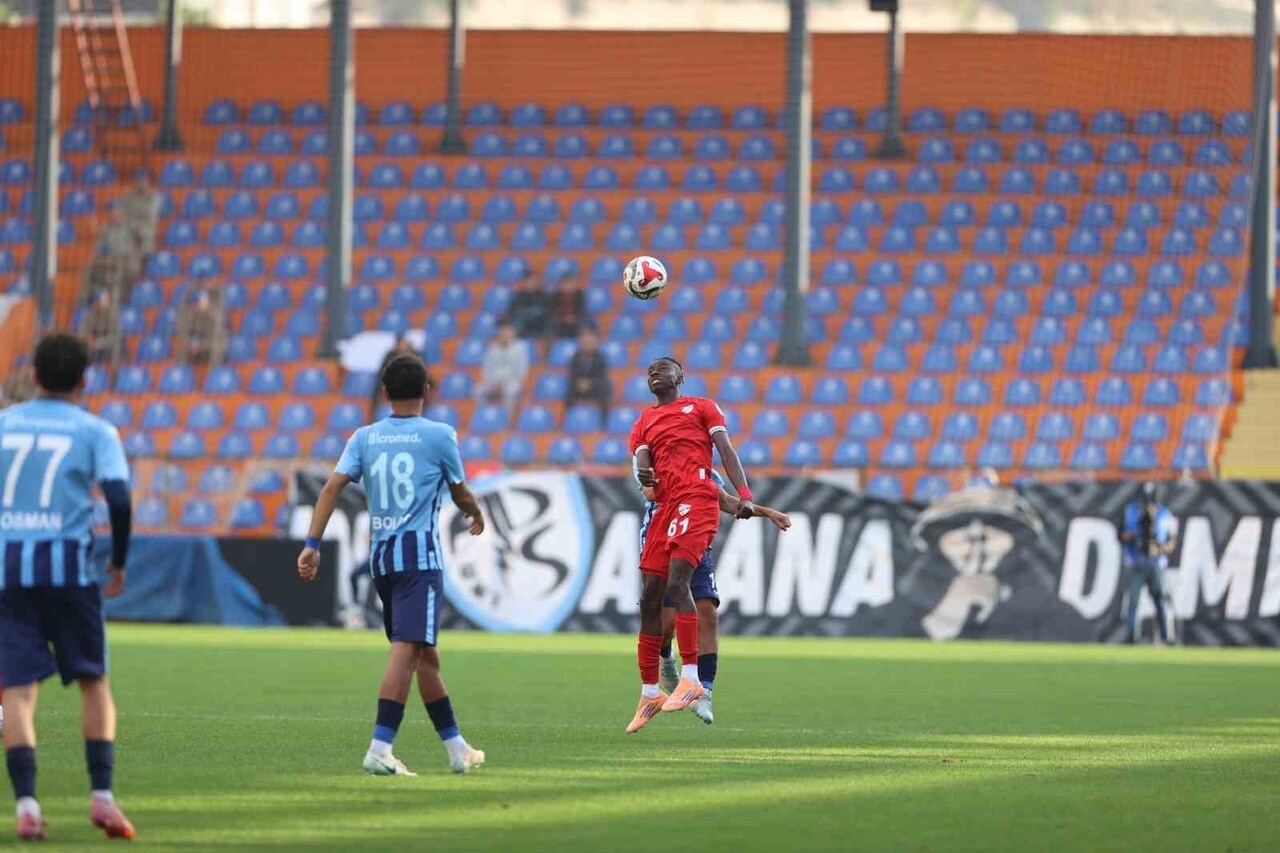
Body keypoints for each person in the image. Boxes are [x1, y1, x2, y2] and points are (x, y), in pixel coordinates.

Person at [297, 353, 488, 776]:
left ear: (384, 394)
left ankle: (457, 749)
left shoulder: (364, 437)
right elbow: (459, 491)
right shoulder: (439, 435)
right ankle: (380, 748)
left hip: (383, 560)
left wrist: (313, 543)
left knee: (425, 656)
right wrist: (476, 514)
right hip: (419, 559)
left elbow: (331, 488)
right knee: (406, 652)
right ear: (426, 392)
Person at [0, 333, 135, 841]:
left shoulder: (4, 424)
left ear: (32, 375)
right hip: (69, 574)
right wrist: (118, 561)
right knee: (93, 682)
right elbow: (119, 499)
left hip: (9, 573)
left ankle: (27, 806)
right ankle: (101, 797)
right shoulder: (96, 430)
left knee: (17, 690)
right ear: (84, 379)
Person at [626, 356, 755, 733]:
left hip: (696, 497)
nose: (654, 373)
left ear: (679, 376)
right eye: (649, 370)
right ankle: (650, 690)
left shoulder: (701, 407)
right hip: (665, 506)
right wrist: (646, 471)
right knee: (651, 597)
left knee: (681, 584)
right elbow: (642, 458)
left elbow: (726, 451)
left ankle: (694, 680)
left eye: (662, 368)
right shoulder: (644, 421)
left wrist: (745, 493)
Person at [635, 463, 791, 725]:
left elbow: (726, 501)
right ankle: (666, 659)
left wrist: (767, 512)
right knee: (667, 624)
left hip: (695, 543)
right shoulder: (654, 450)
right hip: (661, 539)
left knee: (707, 612)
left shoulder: (702, 465)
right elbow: (652, 493)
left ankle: (704, 691)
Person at [1119, 481, 1177, 645]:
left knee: (1161, 601)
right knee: (1133, 602)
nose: (1147, 505)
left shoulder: (1165, 514)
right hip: (1137, 561)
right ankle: (1132, 636)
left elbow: (1171, 541)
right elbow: (1120, 535)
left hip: (1156, 563)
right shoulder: (1130, 512)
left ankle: (1166, 636)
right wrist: (1134, 534)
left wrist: (1160, 546)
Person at [88, 206, 139, 301]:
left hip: (125, 260)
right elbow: (98, 248)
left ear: (122, 214)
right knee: (93, 270)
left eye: (117, 212)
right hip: (108, 260)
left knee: (131, 268)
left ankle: (123, 296)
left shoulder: (129, 228)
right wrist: (104, 256)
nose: (114, 215)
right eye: (112, 212)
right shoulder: (104, 230)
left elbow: (135, 246)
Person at [475, 324, 529, 410]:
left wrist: (505, 383)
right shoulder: (492, 350)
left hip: (511, 382)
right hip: (493, 382)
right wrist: (491, 382)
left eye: (507, 335)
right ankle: (484, 413)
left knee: (510, 391)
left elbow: (522, 370)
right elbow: (486, 368)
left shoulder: (519, 350)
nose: (505, 337)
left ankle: (506, 415)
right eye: (503, 335)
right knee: (478, 390)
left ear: (513, 336)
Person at [371, 335, 420, 422]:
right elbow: (382, 374)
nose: (403, 347)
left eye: (406, 344)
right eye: (401, 344)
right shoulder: (390, 355)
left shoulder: (416, 355)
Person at [565, 328, 611, 419]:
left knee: (605, 389)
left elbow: (602, 378)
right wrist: (578, 383)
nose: (587, 342)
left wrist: (589, 384)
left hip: (595, 388)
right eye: (584, 340)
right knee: (569, 390)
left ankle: (603, 420)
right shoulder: (576, 357)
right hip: (578, 388)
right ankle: (569, 419)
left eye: (589, 340)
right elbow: (572, 375)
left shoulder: (601, 358)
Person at [175, 288, 226, 365]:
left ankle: (216, 372)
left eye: (199, 303)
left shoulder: (215, 316)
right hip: (195, 348)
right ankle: (185, 372)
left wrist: (202, 345)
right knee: (182, 352)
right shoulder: (189, 316)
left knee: (218, 347)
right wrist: (190, 343)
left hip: (210, 347)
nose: (195, 307)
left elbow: (219, 337)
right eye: (194, 304)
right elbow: (184, 334)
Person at [117, 170, 159, 258]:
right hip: (129, 225)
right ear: (135, 182)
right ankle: (129, 259)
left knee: (146, 233)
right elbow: (122, 213)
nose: (141, 183)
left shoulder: (153, 197)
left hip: (145, 226)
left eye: (143, 181)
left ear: (147, 182)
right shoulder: (128, 196)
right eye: (138, 181)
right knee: (123, 234)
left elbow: (152, 217)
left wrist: (141, 224)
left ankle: (145, 259)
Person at [504, 270, 549, 339]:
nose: (532, 283)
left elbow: (546, 310)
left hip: (540, 323)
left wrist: (530, 312)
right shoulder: (518, 296)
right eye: (529, 281)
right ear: (524, 283)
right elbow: (513, 311)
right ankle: (517, 340)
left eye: (534, 281)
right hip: (524, 324)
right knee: (517, 319)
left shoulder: (544, 295)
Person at [80, 289, 122, 365]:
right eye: (103, 301)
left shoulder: (111, 316)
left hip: (107, 349)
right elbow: (82, 334)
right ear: (96, 303)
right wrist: (88, 341)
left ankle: (113, 372)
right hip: (92, 349)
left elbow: (114, 337)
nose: (106, 304)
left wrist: (97, 343)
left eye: (106, 301)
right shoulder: (88, 316)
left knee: (115, 347)